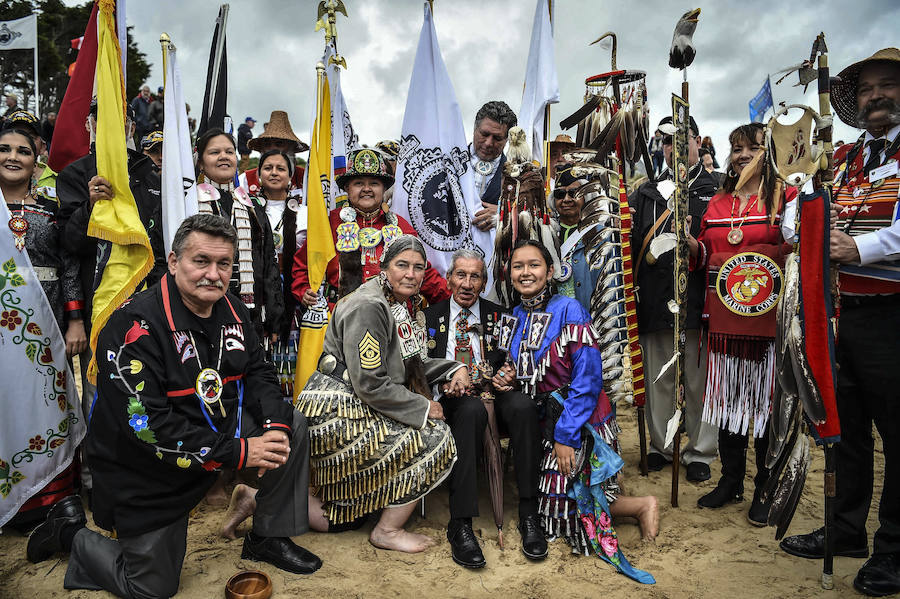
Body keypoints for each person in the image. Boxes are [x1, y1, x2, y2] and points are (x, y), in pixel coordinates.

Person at [26, 214, 322, 597]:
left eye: (224, 264)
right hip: (146, 467)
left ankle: (267, 535)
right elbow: (149, 429)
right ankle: (67, 532)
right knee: (151, 588)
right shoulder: (132, 326)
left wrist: (274, 428)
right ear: (174, 259)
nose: (213, 274)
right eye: (201, 261)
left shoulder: (233, 309)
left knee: (291, 425)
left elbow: (260, 373)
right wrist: (241, 450)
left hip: (213, 439)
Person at [779, 47, 900, 597]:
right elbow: (798, 223)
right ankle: (847, 530)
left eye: (888, 85)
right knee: (845, 431)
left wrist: (863, 248)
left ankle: (894, 551)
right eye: (868, 87)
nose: (877, 95)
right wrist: (801, 199)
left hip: (893, 315)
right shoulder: (846, 160)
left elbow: (866, 238)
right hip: (842, 314)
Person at [494, 239, 657, 583]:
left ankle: (641, 505)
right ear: (509, 275)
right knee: (549, 506)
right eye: (518, 266)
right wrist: (505, 376)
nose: (526, 272)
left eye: (534, 265)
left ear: (550, 271)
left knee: (570, 507)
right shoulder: (512, 317)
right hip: (543, 421)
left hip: (580, 419)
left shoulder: (570, 309)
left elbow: (588, 378)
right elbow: (521, 370)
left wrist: (565, 435)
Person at [296, 235, 466, 552]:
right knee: (434, 436)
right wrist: (422, 406)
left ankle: (255, 500)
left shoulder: (396, 304)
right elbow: (370, 384)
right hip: (337, 409)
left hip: (355, 400)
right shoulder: (370, 307)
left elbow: (406, 365)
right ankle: (387, 530)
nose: (411, 274)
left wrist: (454, 367)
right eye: (402, 265)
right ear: (385, 268)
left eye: (418, 268)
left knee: (344, 518)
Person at [685, 122, 794, 525]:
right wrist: (690, 247)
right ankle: (731, 481)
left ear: (770, 152)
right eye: (736, 148)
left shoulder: (786, 196)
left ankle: (765, 486)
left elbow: (793, 248)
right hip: (724, 322)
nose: (743, 155)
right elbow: (702, 258)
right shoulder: (717, 203)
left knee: (765, 408)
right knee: (728, 404)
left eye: (753, 147)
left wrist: (764, 250)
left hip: (768, 323)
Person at [425, 249, 542, 568]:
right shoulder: (430, 316)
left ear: (484, 281)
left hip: (494, 393)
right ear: (449, 278)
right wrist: (444, 381)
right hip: (450, 399)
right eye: (460, 275)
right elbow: (420, 367)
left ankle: (530, 513)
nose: (466, 283)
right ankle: (460, 524)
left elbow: (508, 359)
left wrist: (509, 372)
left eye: (474, 276)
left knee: (523, 406)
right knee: (470, 412)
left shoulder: (499, 315)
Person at [0, 127, 86, 530]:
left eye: (23, 151)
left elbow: (70, 264)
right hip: (3, 326)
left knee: (47, 399)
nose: (13, 156)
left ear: (38, 162)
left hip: (46, 320)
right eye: (4, 149)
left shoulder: (51, 209)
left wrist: (74, 320)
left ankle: (49, 497)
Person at [630, 115, 719, 482]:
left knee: (698, 380)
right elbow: (632, 243)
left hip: (699, 300)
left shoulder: (717, 189)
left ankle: (700, 450)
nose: (673, 148)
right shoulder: (647, 192)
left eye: (680, 140)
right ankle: (660, 446)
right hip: (655, 299)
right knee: (659, 378)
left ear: (698, 141)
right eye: (665, 142)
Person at [292, 147, 449, 309]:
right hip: (338, 317)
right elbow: (303, 266)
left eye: (374, 183)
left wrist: (455, 299)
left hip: (391, 320)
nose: (366, 189)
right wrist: (303, 290)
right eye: (358, 183)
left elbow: (424, 274)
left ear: (383, 189)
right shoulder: (329, 223)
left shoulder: (400, 227)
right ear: (347, 188)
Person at [194, 128, 282, 343]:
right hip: (197, 310)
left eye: (229, 152)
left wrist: (274, 317)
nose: (224, 157)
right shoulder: (187, 204)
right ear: (201, 162)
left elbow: (269, 263)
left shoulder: (252, 206)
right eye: (215, 152)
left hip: (248, 313)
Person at [255, 149, 305, 400]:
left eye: (280, 168)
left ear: (290, 176)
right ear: (259, 174)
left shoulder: (305, 212)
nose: (274, 173)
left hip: (293, 296)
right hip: (258, 292)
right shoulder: (248, 208)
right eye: (268, 167)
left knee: (294, 355)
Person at [553, 163, 600, 313]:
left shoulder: (601, 234)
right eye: (560, 194)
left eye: (574, 193)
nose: (566, 199)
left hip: (589, 318)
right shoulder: (546, 233)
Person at [470, 100, 517, 232]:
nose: (488, 143)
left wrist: (504, 213)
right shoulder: (448, 163)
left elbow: (530, 217)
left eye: (497, 138)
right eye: (484, 134)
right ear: (474, 129)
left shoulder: (516, 177)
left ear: (507, 139)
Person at [239, 111, 308, 192]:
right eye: (267, 144)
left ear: (291, 147)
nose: (273, 149)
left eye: (279, 143)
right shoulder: (245, 181)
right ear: (262, 148)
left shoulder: (306, 179)